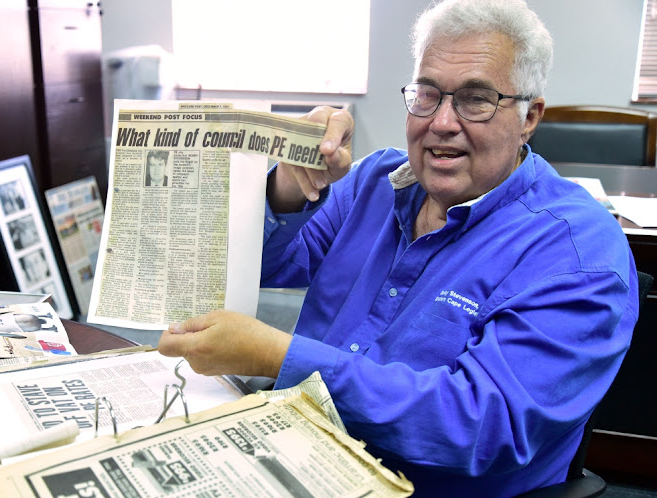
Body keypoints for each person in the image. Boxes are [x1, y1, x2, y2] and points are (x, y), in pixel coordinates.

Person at [157, 0, 639, 495]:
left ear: (529, 117)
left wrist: (281, 359)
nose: (442, 122)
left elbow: (481, 427)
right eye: (427, 95)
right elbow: (266, 264)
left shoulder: (577, 253)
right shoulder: (375, 182)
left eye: (475, 99)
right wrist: (287, 182)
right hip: (288, 454)